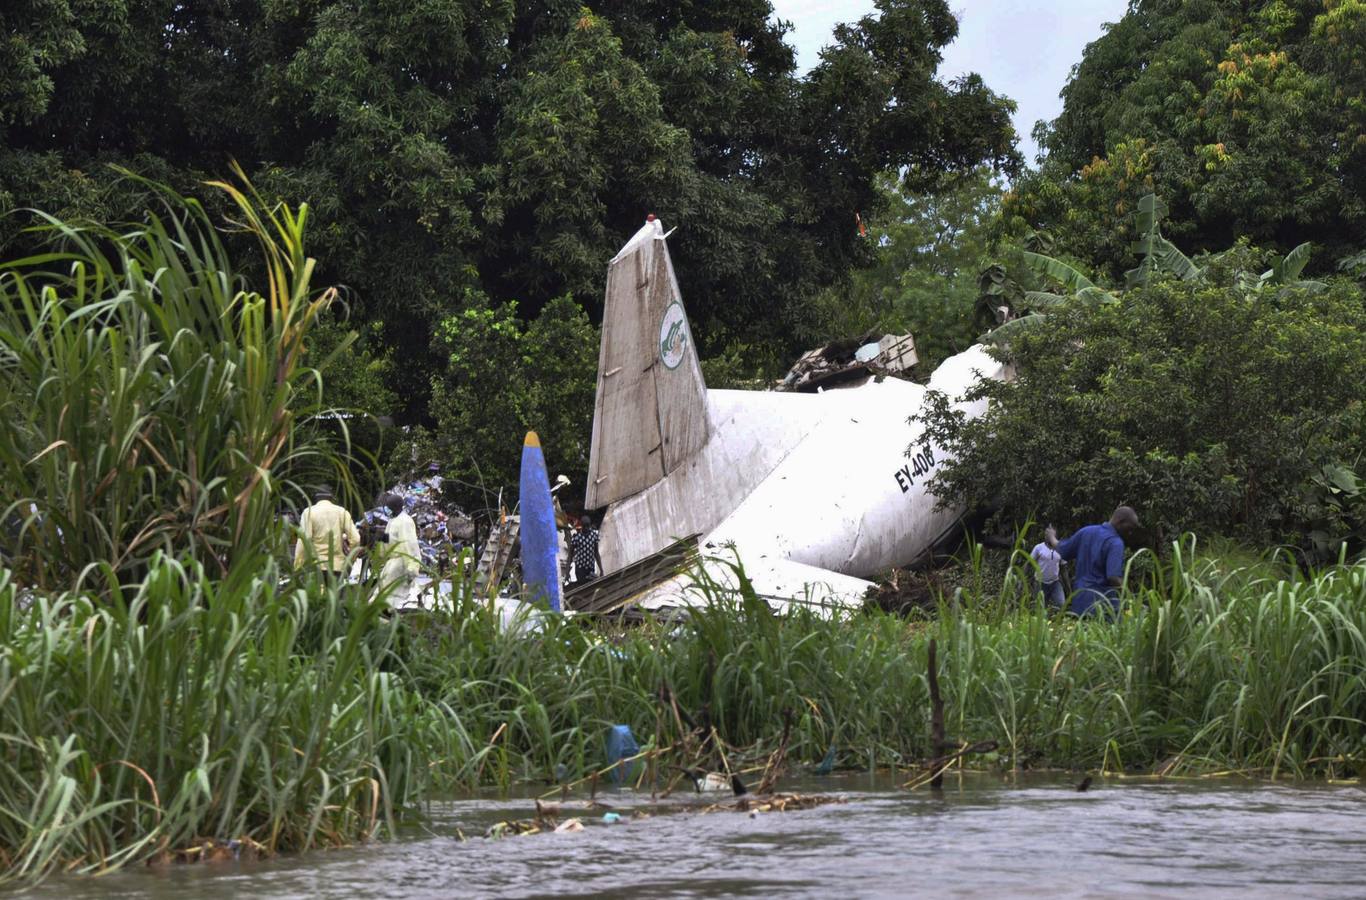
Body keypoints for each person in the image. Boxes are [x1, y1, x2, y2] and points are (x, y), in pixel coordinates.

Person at [1047, 506, 1141, 617]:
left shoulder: (1086, 532)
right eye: (1130, 528)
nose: (1130, 533)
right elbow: (1113, 577)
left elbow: (1063, 550)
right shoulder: (1115, 542)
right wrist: (1129, 597)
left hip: (1081, 603)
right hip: (1103, 606)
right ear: (1120, 521)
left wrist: (1052, 537)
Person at [293, 486, 360, 576]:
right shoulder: (342, 512)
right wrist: (350, 560)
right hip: (337, 567)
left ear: (316, 498)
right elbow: (356, 539)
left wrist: (297, 566)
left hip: (316, 567)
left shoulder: (308, 512)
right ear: (331, 498)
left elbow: (304, 541)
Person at [378, 493, 421, 600]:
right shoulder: (393, 521)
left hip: (400, 564)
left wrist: (412, 569)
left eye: (387, 507)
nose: (385, 510)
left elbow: (409, 546)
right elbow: (388, 540)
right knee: (385, 595)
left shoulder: (404, 521)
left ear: (394, 507)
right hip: (391, 563)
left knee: (392, 597)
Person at [1031, 527, 1065, 609]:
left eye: (1050, 535)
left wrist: (1068, 587)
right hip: (1040, 583)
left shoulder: (1060, 549)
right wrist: (1025, 579)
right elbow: (1029, 563)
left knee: (1061, 604)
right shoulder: (1038, 548)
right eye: (1046, 535)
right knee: (1039, 608)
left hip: (1055, 582)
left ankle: (1057, 620)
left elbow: (1064, 568)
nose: (1047, 537)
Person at [568, 514, 604, 585]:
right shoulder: (577, 538)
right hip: (580, 569)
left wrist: (601, 569)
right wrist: (567, 573)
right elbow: (570, 555)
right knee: (583, 587)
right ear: (582, 526)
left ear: (590, 525)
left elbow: (596, 553)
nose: (587, 528)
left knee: (592, 587)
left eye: (588, 526)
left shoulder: (594, 535)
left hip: (590, 568)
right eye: (585, 526)